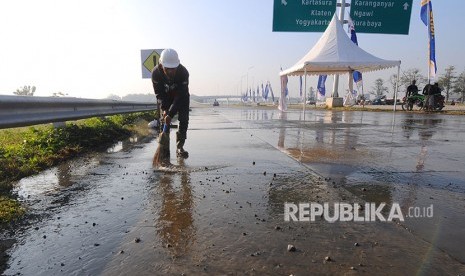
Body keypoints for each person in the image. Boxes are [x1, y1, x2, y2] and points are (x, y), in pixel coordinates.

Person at [151, 48, 190, 158]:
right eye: (168, 69)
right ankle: (164, 150)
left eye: (173, 69)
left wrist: (171, 113)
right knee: (164, 122)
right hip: (166, 97)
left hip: (181, 98)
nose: (171, 71)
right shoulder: (155, 74)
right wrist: (165, 110)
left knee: (184, 120)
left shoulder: (183, 73)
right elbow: (159, 94)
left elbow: (180, 96)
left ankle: (180, 147)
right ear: (162, 65)